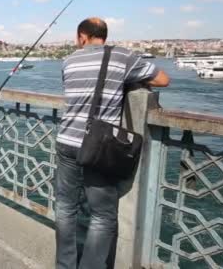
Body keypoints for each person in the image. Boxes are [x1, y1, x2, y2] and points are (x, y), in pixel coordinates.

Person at [55, 17, 170, 269]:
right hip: (96, 145)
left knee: (65, 208)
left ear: (81, 37)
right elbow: (163, 79)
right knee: (102, 215)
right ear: (104, 35)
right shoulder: (122, 57)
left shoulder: (68, 60)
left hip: (65, 141)